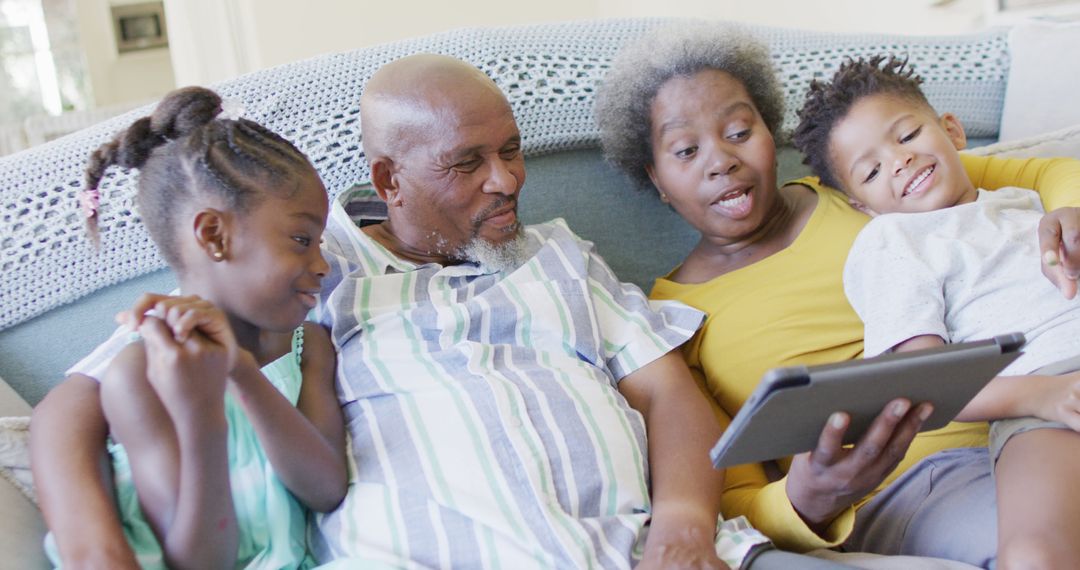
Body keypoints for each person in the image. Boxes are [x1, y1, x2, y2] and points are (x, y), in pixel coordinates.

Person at [33, 55, 857, 570]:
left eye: (510, 151)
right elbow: (73, 406)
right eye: (467, 163)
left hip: (644, 553)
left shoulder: (561, 255)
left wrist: (682, 521)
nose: (506, 181)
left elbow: (669, 393)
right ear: (389, 181)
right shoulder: (308, 271)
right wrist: (95, 550)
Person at [594, 22, 1080, 566]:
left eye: (738, 131)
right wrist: (810, 498)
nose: (721, 159)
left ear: (769, 132)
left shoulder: (867, 186)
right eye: (685, 150)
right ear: (656, 178)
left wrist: (1067, 216)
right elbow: (730, 498)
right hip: (913, 484)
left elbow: (1044, 174)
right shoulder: (672, 319)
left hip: (1035, 400)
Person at [31, 86, 347, 569]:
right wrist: (202, 415)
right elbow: (201, 561)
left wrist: (242, 373)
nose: (322, 264)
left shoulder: (311, 346)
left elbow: (326, 491)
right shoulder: (139, 374)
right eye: (302, 239)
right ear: (214, 236)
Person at [792, 54, 1080, 569]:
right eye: (873, 170)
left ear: (952, 129)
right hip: (1048, 392)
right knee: (1039, 553)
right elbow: (924, 383)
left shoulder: (1024, 201)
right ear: (862, 205)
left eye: (906, 136)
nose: (899, 161)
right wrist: (1047, 396)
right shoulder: (894, 241)